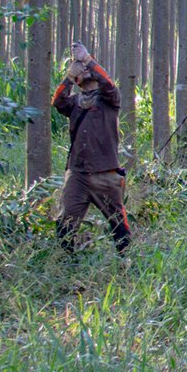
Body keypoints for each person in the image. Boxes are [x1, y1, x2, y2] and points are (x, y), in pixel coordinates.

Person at [51, 42, 131, 255]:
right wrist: (69, 76)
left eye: (87, 68)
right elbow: (57, 101)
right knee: (65, 224)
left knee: (118, 225)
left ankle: (127, 262)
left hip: (105, 173)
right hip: (77, 174)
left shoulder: (109, 99)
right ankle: (68, 264)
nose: (84, 70)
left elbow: (108, 84)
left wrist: (87, 59)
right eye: (81, 69)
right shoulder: (74, 103)